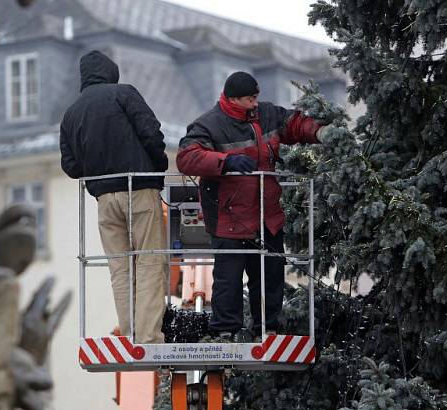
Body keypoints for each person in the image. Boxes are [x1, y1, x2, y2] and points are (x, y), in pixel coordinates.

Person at [176, 71, 332, 342]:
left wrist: (319, 132)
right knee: (228, 278)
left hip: (267, 215)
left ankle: (267, 328)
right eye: (250, 99)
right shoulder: (209, 125)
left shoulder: (267, 115)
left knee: (270, 275)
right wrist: (225, 162)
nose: (255, 104)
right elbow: (187, 158)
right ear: (233, 99)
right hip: (230, 218)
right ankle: (225, 330)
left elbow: (294, 124)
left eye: (256, 97)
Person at [60, 50, 168, 344]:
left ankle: (130, 332)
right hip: (140, 190)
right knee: (148, 261)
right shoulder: (124, 94)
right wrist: (157, 166)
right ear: (111, 72)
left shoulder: (71, 113)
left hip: (104, 200)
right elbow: (151, 132)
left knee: (119, 267)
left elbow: (70, 166)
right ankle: (148, 337)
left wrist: (96, 171)